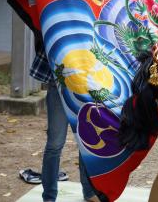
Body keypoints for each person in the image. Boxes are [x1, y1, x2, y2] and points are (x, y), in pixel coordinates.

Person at [20, 46, 100, 202]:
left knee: (85, 141)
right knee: (55, 144)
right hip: (60, 83)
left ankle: (89, 192)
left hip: (86, 82)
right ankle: (49, 197)